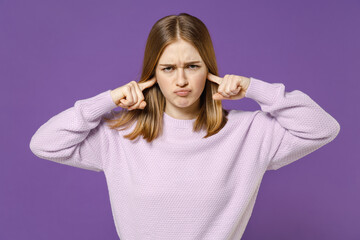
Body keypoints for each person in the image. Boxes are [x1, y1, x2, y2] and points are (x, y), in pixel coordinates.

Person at [29, 12, 340, 240]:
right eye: (168, 68)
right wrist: (108, 98)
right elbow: (44, 143)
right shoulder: (121, 136)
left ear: (209, 70)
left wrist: (254, 89)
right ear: (152, 74)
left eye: (192, 66)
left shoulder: (249, 133)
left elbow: (322, 127)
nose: (180, 81)